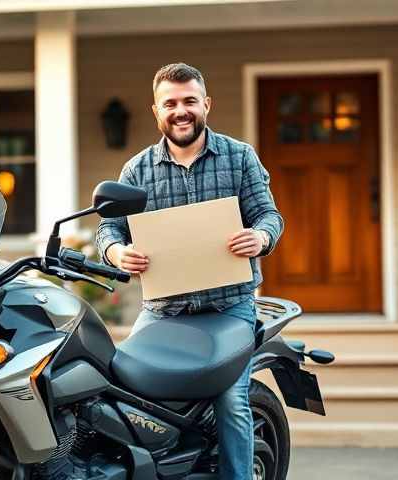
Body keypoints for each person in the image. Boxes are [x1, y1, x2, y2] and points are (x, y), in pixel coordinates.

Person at [95, 63, 283, 480]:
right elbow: (109, 226)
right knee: (123, 392)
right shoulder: (137, 170)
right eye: (171, 104)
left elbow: (269, 216)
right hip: (164, 310)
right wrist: (116, 251)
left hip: (229, 307)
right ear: (156, 111)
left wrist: (261, 238)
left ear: (206, 105)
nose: (181, 111)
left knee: (231, 402)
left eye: (189, 101)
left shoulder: (239, 156)